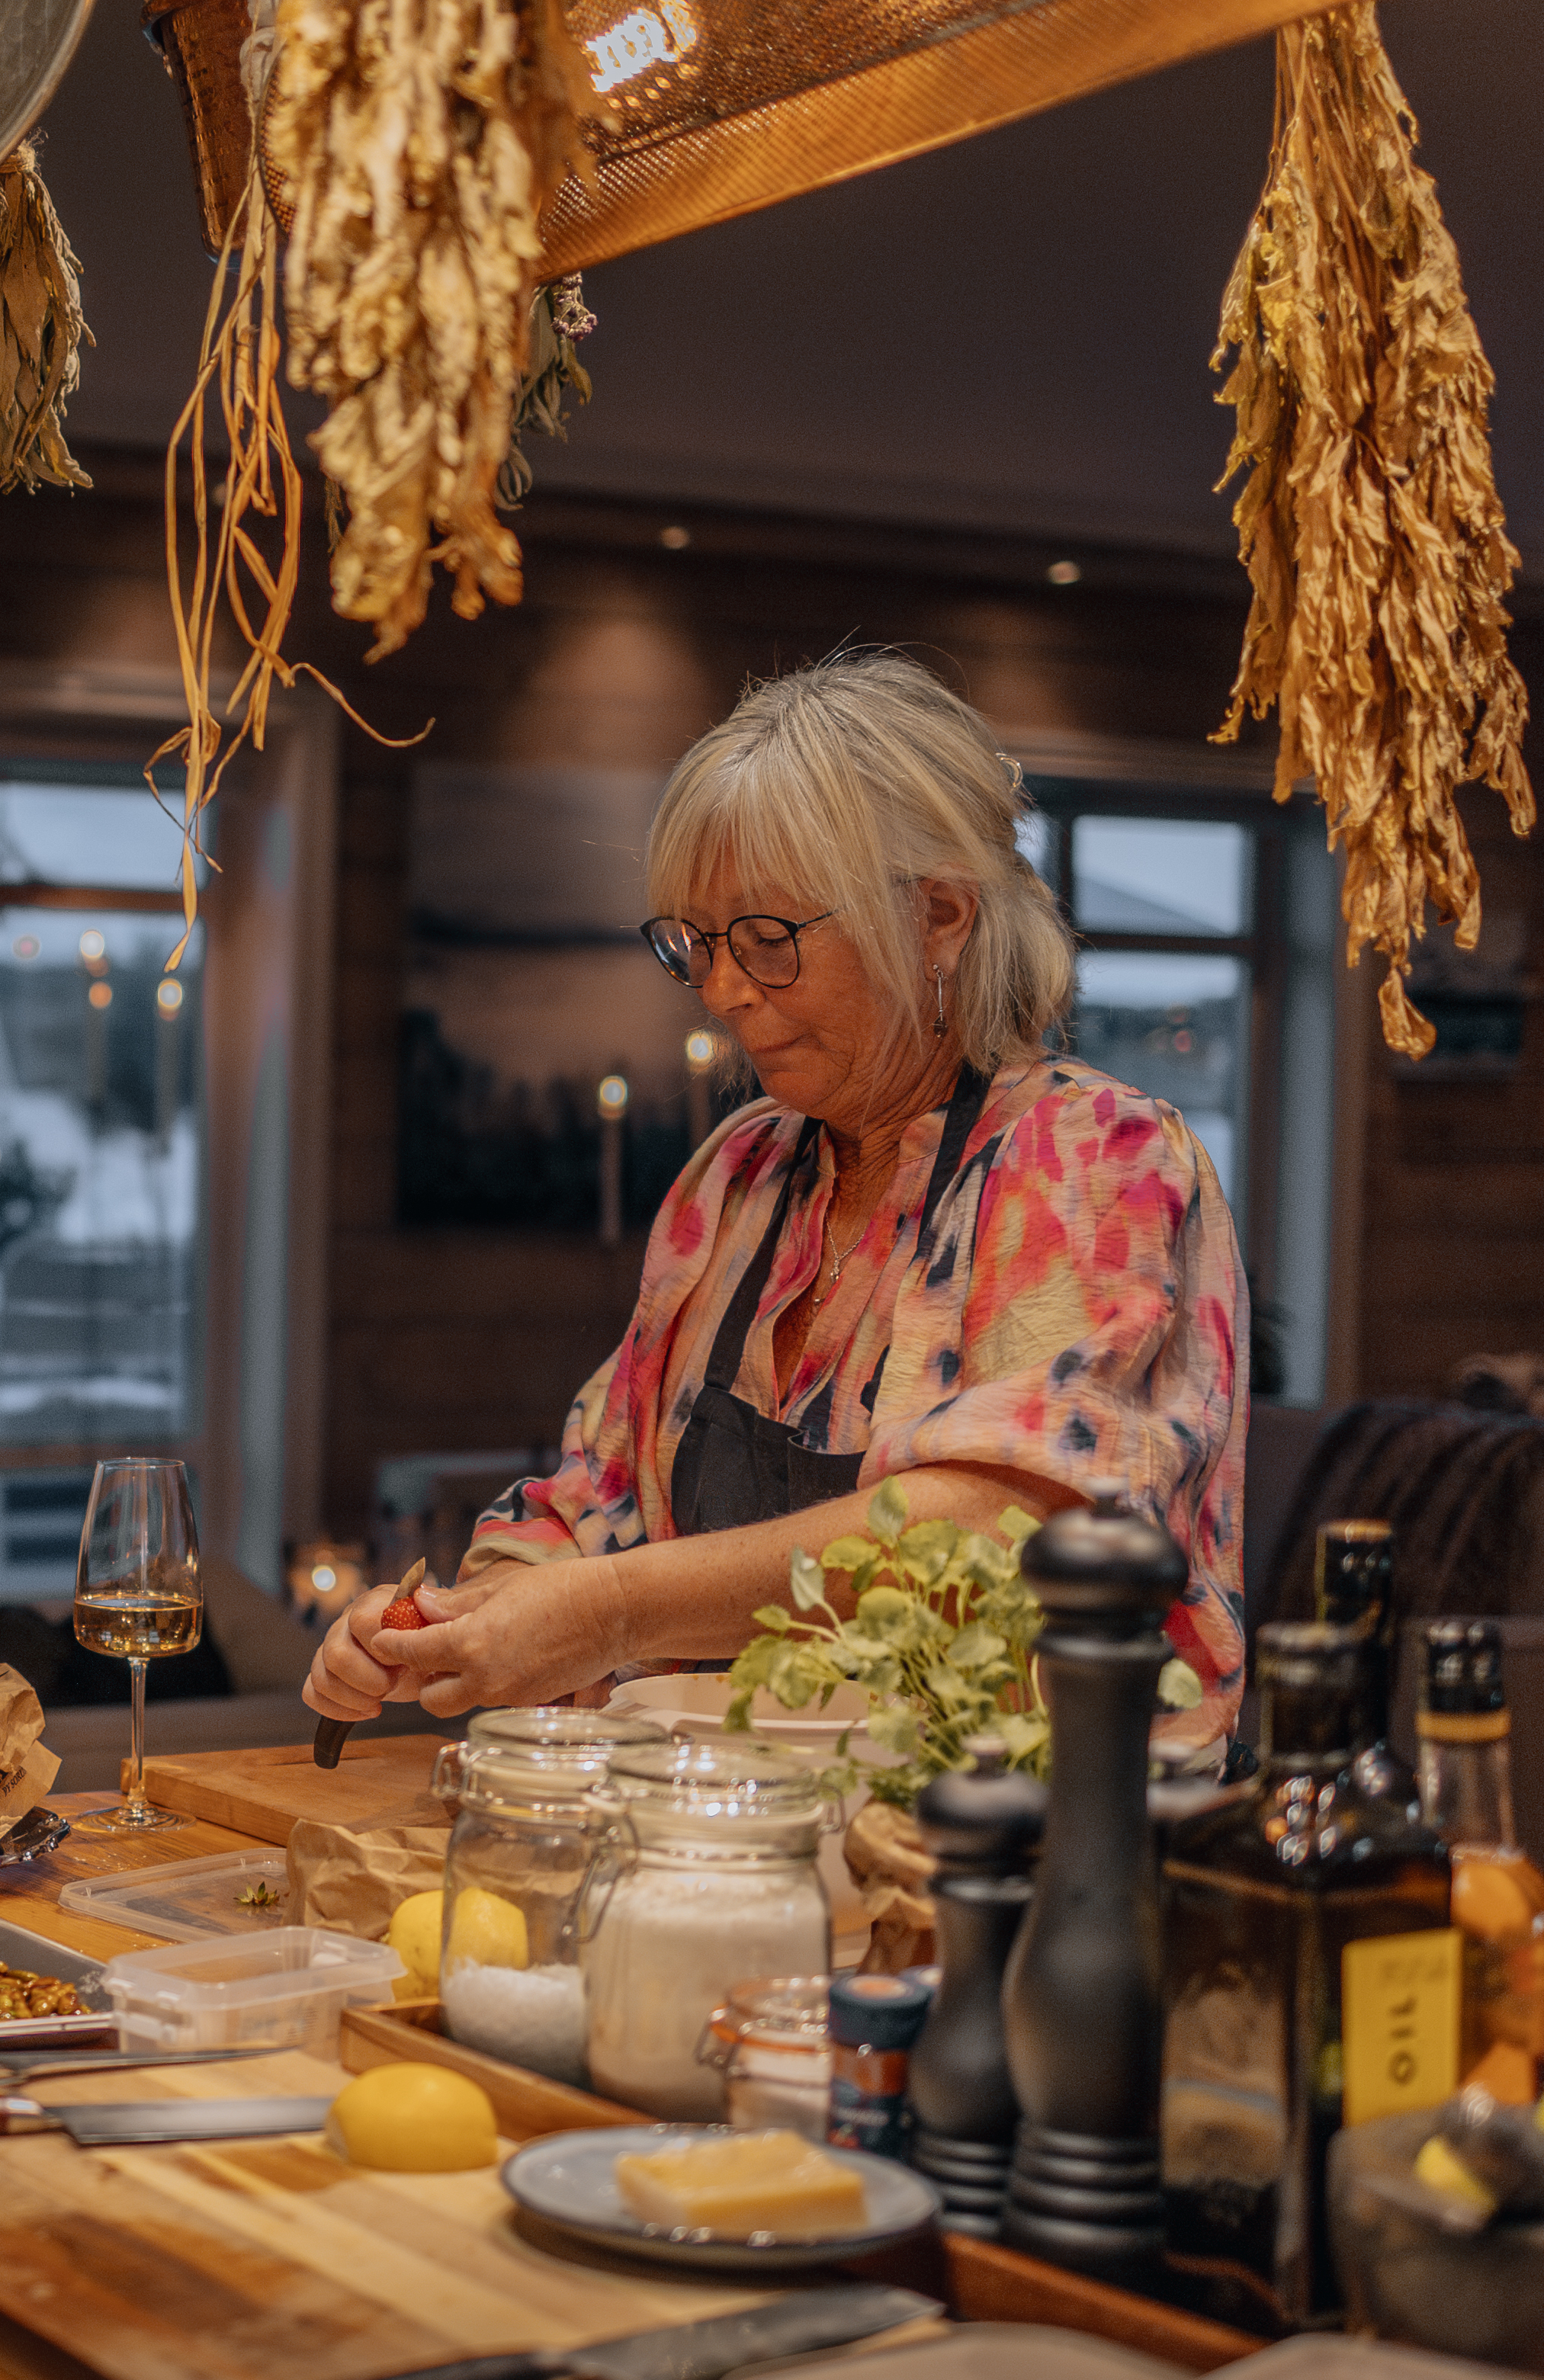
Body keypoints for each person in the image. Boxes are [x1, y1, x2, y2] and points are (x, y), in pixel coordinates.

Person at [303, 651, 1247, 1743]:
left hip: (1022, 1848)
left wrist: (607, 1614)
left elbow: (998, 1531)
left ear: (940, 917)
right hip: (737, 1831)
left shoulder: (1089, 1155)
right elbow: (596, 1502)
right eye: (696, 945)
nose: (720, 991)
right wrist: (449, 1623)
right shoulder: (740, 1176)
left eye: (768, 941)